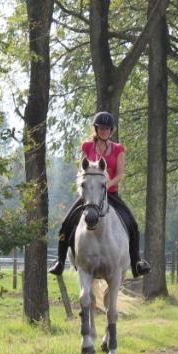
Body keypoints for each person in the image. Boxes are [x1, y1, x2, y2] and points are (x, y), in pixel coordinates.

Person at [49, 111, 152, 277]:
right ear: (96, 129)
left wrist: (107, 184)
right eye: (101, 128)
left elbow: (120, 174)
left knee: (132, 224)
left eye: (107, 128)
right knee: (66, 223)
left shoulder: (118, 149)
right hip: (90, 195)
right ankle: (60, 261)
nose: (104, 131)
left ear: (111, 130)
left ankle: (137, 262)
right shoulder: (87, 147)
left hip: (110, 193)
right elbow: (81, 172)